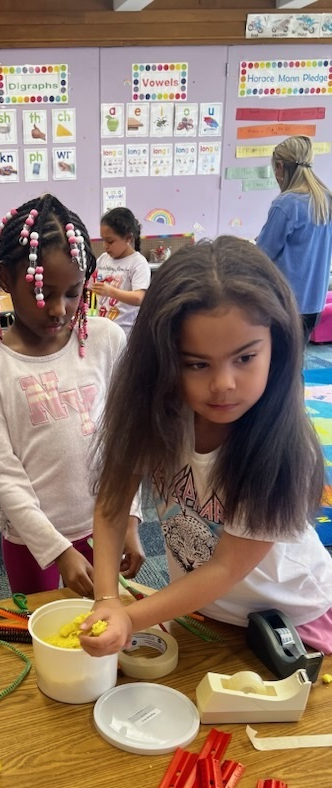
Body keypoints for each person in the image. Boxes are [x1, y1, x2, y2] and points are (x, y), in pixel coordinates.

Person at [80, 236, 332, 658]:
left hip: (291, 621)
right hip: (204, 607)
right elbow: (111, 504)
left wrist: (129, 617)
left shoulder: (284, 452)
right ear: (163, 357)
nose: (223, 385)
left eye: (245, 358)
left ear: (278, 346)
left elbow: (227, 566)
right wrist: (108, 600)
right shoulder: (157, 412)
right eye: (197, 364)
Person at [0, 194, 144, 595]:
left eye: (72, 292)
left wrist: (130, 517)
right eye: (41, 291)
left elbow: (126, 439)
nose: (58, 309)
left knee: (102, 631)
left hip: (105, 525)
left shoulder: (106, 339)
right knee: (47, 630)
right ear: (4, 280)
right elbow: (4, 475)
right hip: (33, 542)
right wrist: (58, 550)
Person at [256, 135, 332, 343]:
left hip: (286, 303)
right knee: (295, 361)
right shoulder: (325, 200)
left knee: (278, 366)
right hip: (314, 302)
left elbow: (262, 255)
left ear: (280, 166)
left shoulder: (287, 203)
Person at [90, 207, 151, 338]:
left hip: (125, 334)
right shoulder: (103, 259)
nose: (105, 245)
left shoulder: (137, 263)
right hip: (103, 330)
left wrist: (110, 291)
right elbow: (90, 283)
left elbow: (139, 298)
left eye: (110, 241)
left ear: (128, 238)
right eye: (103, 240)